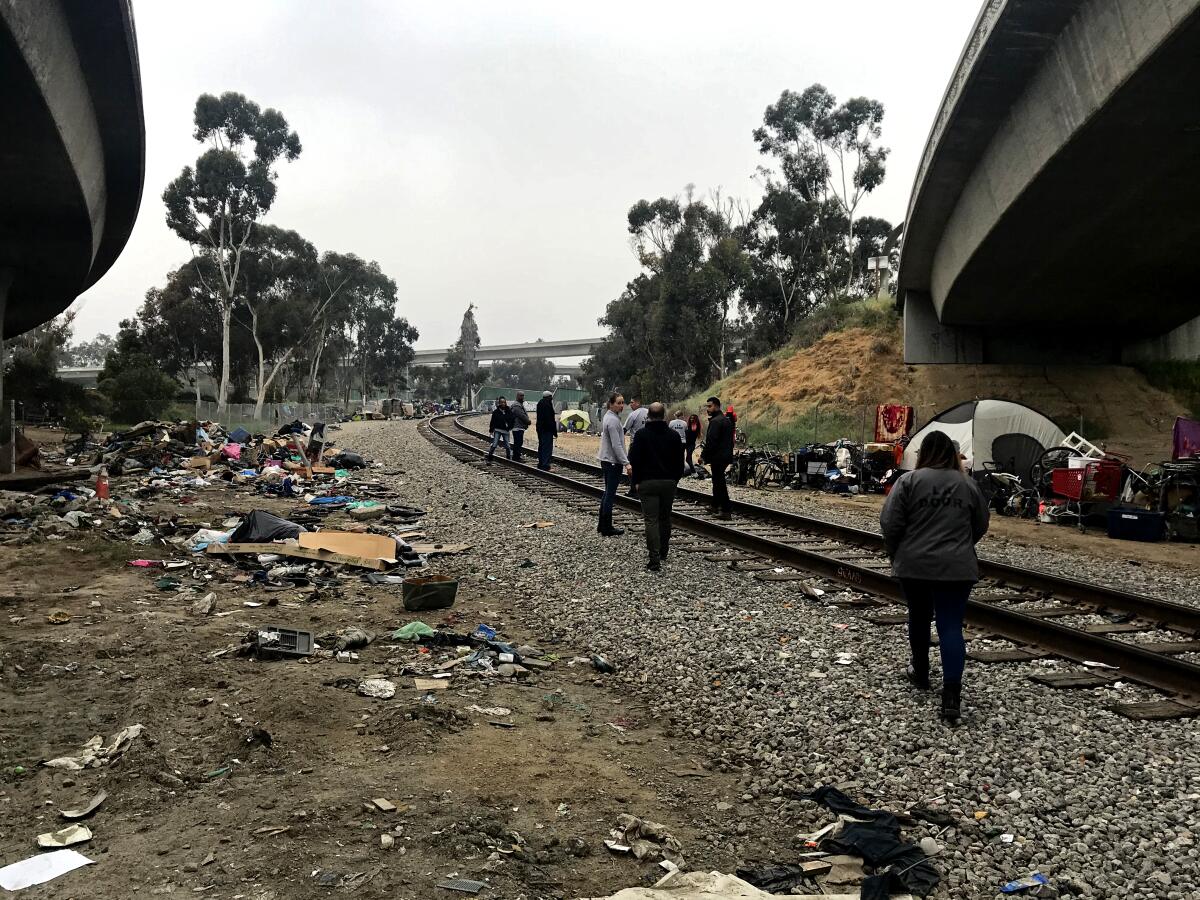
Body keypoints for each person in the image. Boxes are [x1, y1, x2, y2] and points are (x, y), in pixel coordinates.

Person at [879, 430, 989, 725]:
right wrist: (960, 548)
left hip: (915, 567)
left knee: (919, 616)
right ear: (953, 454)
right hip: (957, 569)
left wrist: (897, 554)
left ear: (923, 453)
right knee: (950, 626)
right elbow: (980, 524)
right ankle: (951, 694)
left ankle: (921, 673)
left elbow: (890, 524)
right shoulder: (968, 484)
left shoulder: (909, 481)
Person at [628, 402, 685, 571]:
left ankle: (654, 558)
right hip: (668, 483)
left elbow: (634, 460)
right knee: (665, 518)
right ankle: (663, 551)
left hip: (647, 483)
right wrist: (674, 480)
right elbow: (679, 464)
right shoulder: (674, 436)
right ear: (664, 415)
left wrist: (636, 482)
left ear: (648, 416)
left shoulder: (641, 435)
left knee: (651, 520)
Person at [597, 392, 631, 536]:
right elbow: (617, 445)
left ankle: (602, 525)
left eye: (623, 402)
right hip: (612, 461)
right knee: (610, 494)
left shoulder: (610, 417)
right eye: (618, 402)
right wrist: (626, 463)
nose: (621, 405)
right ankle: (607, 527)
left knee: (607, 493)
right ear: (611, 404)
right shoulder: (613, 421)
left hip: (607, 460)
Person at [699, 397, 734, 519]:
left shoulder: (716, 422)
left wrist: (703, 456)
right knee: (717, 480)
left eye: (710, 406)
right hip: (725, 455)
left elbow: (711, 442)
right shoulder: (726, 420)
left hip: (717, 456)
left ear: (716, 406)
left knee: (719, 482)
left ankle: (725, 510)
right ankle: (715, 505)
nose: (708, 409)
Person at [623, 397, 649, 497]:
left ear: (638, 403)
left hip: (635, 445)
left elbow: (624, 429)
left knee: (631, 467)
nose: (630, 404)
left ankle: (634, 489)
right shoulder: (649, 412)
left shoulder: (633, 414)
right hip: (649, 445)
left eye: (632, 402)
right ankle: (644, 489)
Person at [485, 397, 513, 464]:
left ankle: (509, 458)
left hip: (506, 430)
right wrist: (491, 430)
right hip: (497, 430)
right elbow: (492, 422)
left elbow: (512, 420)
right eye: (502, 402)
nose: (503, 403)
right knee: (494, 444)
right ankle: (489, 457)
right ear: (499, 403)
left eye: (504, 402)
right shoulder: (496, 412)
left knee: (507, 445)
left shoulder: (508, 411)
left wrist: (509, 427)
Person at [535, 390, 556, 470]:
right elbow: (550, 419)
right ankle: (545, 465)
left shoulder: (540, 403)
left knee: (541, 446)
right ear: (549, 397)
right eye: (551, 397)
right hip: (547, 430)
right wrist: (554, 431)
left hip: (540, 429)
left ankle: (541, 463)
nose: (551, 398)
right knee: (547, 447)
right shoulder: (548, 405)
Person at [509, 390, 531, 462]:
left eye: (523, 395)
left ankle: (516, 456)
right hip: (517, 427)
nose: (522, 397)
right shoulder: (516, 406)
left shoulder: (518, 404)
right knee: (518, 442)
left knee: (518, 442)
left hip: (519, 427)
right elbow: (522, 415)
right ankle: (516, 457)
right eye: (521, 395)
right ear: (517, 396)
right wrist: (528, 421)